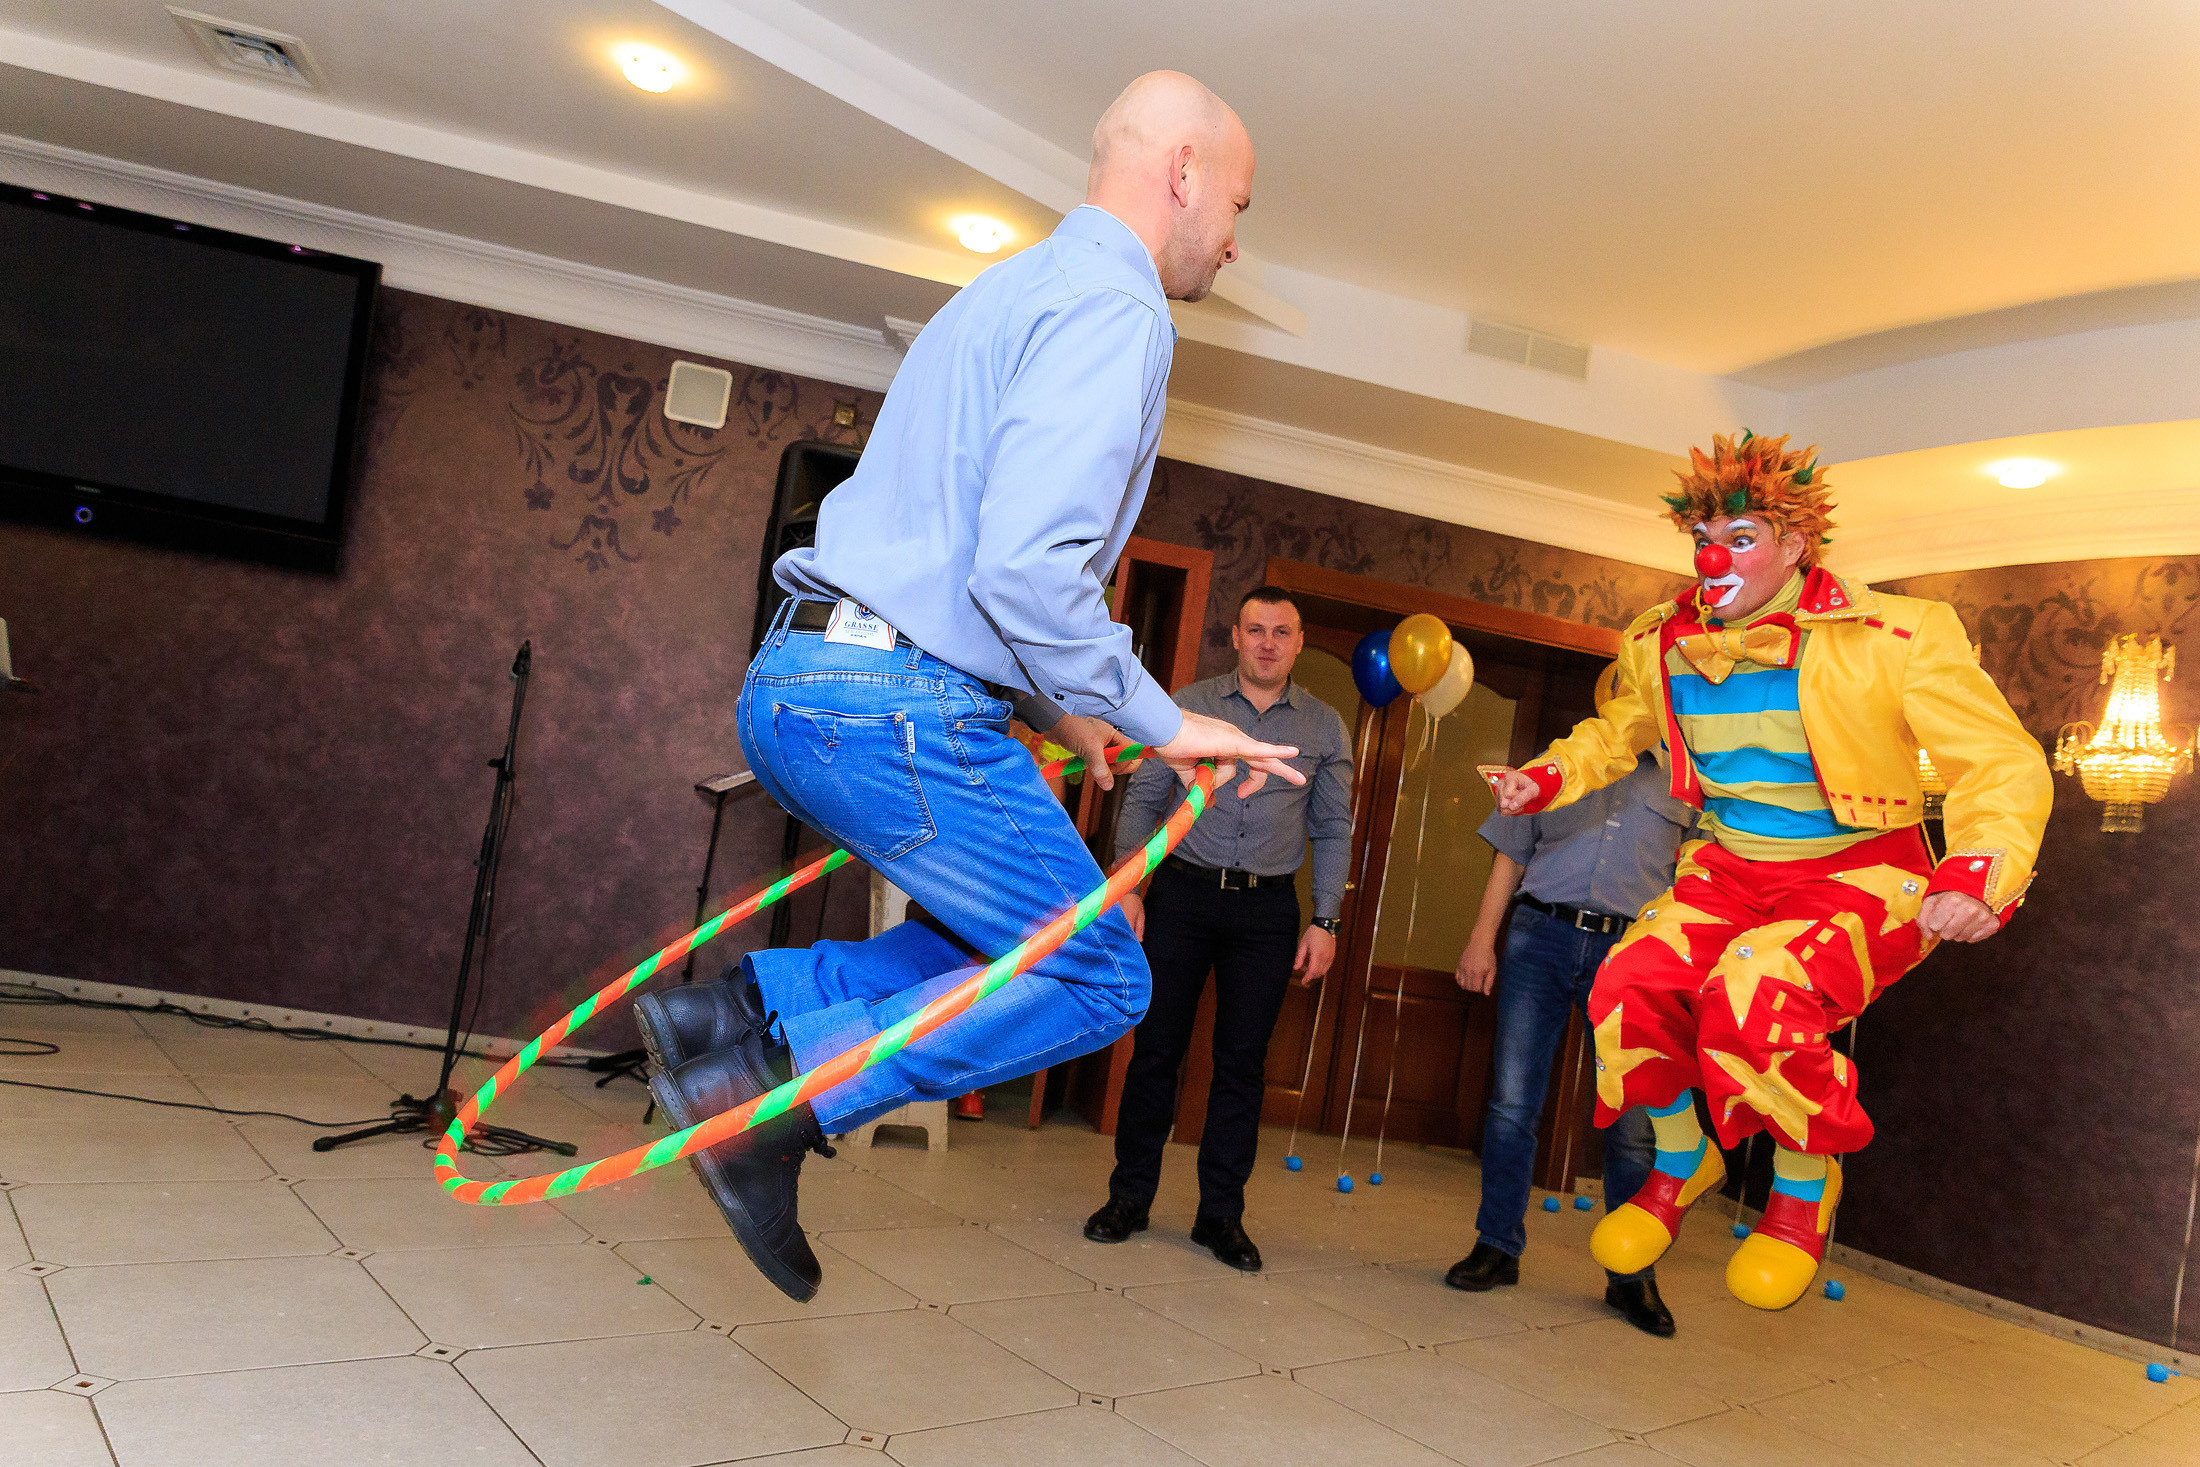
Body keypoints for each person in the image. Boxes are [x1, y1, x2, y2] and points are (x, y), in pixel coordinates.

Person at [631, 72, 1305, 1303]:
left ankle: (734, 1014)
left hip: (799, 680)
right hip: (892, 703)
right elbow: (1023, 564)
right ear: (1185, 173)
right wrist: (1165, 717)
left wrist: (1068, 712)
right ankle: (774, 1106)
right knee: (1101, 974)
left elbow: (961, 554)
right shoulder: (1121, 308)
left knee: (982, 939)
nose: (1233, 238)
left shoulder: (1001, 288)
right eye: (1238, 203)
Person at [1485, 432, 2052, 1310]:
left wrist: (1979, 871)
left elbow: (2002, 762)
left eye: (1741, 538)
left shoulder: (1898, 633)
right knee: (1626, 982)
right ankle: (1684, 1159)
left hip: (1862, 871)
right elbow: (1616, 730)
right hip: (1729, 871)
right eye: (1704, 539)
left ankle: (1800, 1185)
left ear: (1795, 547)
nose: (1713, 559)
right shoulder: (1661, 639)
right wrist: (1547, 777)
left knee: (1757, 990)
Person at [1083, 587, 1353, 1270]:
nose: (1267, 642)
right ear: (1235, 635)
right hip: (1181, 895)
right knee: (1156, 1052)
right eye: (1255, 628)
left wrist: (1325, 919)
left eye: (1281, 631)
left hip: (1266, 914)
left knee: (1242, 1066)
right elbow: (1145, 794)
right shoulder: (1184, 703)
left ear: (1299, 641)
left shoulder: (1325, 726)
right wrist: (1130, 888)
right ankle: (1129, 1198)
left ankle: (1220, 1217)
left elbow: (1332, 828)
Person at [1445, 692, 1693, 1337]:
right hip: (1540, 938)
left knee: (1634, 1122)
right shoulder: (1553, 766)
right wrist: (1480, 939)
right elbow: (1511, 855)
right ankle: (1497, 1246)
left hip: (1634, 954)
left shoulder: (1690, 781)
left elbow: (1698, 881)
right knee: (1510, 1105)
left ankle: (1631, 1277)